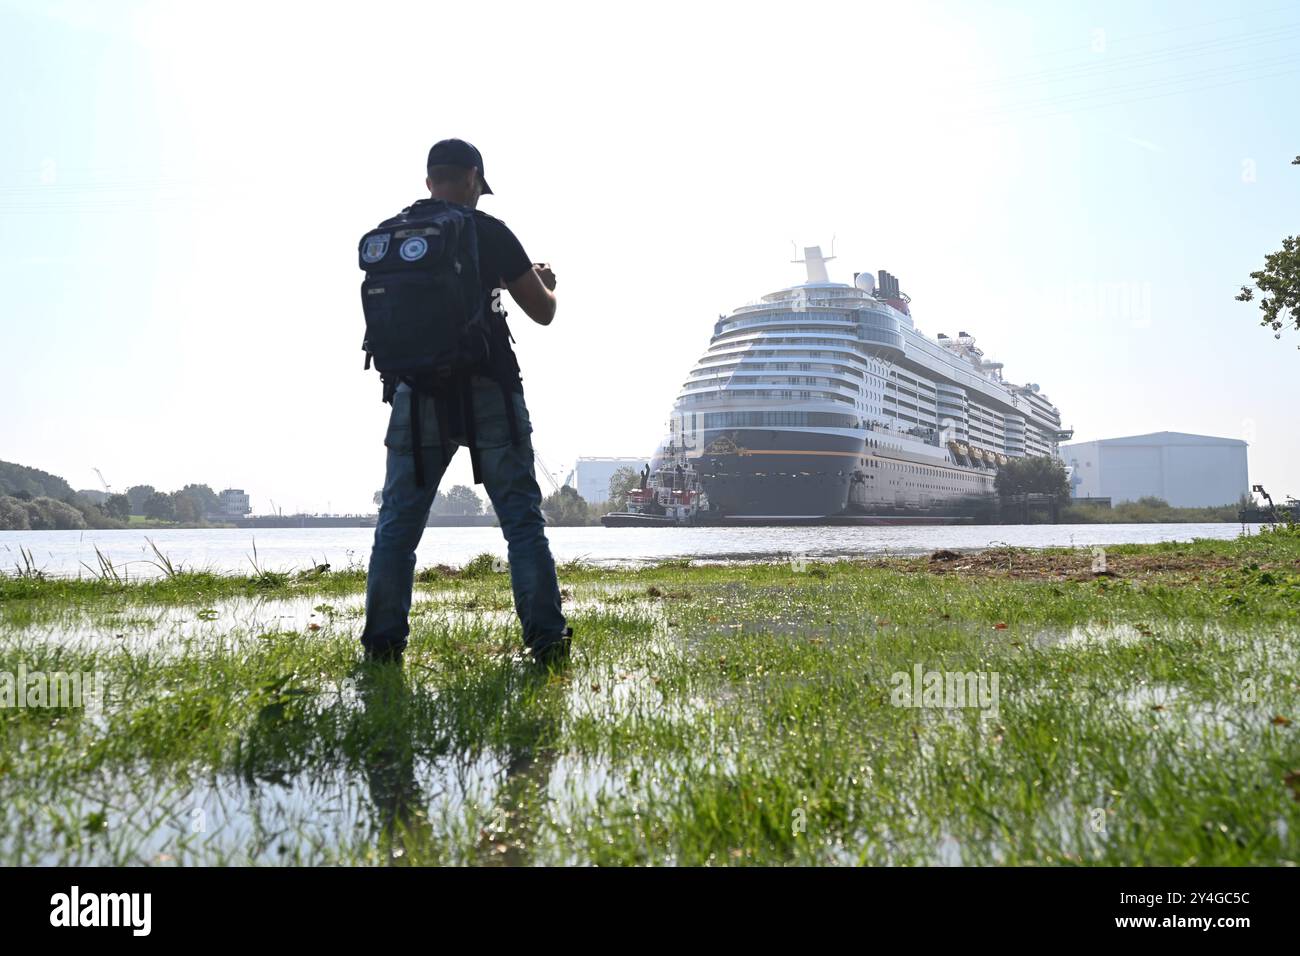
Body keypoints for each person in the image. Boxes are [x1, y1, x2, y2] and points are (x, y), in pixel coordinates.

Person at [361, 138, 570, 668]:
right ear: (475, 178)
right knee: (520, 520)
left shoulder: (401, 235)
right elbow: (542, 312)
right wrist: (544, 282)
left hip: (414, 393)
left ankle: (383, 647)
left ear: (431, 180)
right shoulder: (488, 231)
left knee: (398, 525)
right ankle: (546, 641)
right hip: (488, 389)